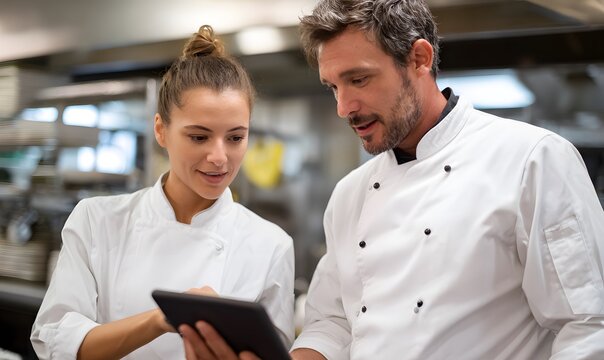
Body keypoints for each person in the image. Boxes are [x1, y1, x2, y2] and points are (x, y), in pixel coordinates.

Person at [181, 1, 604, 359]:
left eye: (358, 79)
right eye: (332, 87)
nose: (344, 107)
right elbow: (331, 322)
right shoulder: (350, 193)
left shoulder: (532, 160)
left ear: (419, 59)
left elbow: (588, 325)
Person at [30, 25, 294, 360]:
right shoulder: (97, 220)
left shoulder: (271, 245)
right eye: (199, 137)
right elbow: (54, 342)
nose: (219, 157)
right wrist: (160, 318)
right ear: (161, 130)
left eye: (235, 137)